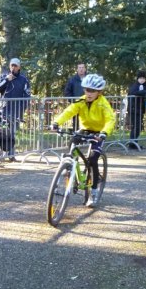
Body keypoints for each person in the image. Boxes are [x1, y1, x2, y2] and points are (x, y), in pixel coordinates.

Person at [52, 74, 115, 208]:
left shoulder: (103, 104)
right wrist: (56, 122)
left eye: (92, 91)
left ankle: (93, 191)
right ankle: (70, 169)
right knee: (71, 147)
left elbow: (110, 120)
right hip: (85, 129)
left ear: (99, 92)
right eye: (87, 90)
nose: (89, 93)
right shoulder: (81, 101)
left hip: (99, 133)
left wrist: (104, 133)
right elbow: (68, 112)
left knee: (92, 159)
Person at [0, 57, 31, 161]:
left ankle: (11, 154)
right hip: (2, 110)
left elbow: (27, 96)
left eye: (15, 65)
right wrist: (6, 80)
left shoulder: (24, 80)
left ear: (19, 67)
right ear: (9, 66)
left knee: (12, 133)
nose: (13, 67)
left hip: (15, 111)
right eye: (12, 65)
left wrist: (21, 110)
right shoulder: (3, 76)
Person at [127, 70, 146, 150]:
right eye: (140, 78)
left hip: (140, 109)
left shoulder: (145, 85)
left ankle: (134, 142)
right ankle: (132, 143)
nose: (142, 80)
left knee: (139, 127)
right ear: (137, 78)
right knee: (135, 126)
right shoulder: (135, 85)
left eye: (143, 78)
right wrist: (144, 93)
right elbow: (133, 92)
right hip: (133, 109)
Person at [63, 62, 87, 131]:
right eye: (79, 68)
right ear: (77, 69)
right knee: (76, 121)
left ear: (85, 69)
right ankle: (75, 135)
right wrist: (72, 100)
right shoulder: (72, 80)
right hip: (76, 103)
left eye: (82, 67)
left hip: (87, 103)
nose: (81, 69)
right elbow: (67, 91)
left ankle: (87, 135)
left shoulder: (89, 79)